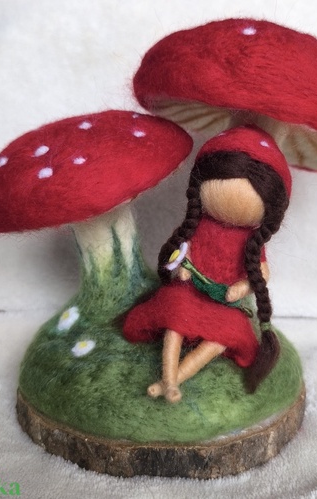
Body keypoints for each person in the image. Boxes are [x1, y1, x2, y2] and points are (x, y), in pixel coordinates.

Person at [123, 126, 291, 403]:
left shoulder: (251, 241)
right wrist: (184, 267)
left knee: (222, 338)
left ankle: (173, 382)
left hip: (224, 303)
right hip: (189, 292)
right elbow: (185, 250)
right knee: (175, 319)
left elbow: (261, 272)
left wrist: (241, 288)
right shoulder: (199, 225)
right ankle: (168, 377)